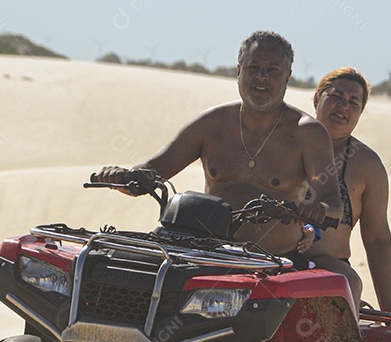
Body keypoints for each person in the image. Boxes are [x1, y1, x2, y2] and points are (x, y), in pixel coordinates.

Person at [98, 31, 341, 259]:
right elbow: (154, 170)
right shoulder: (211, 124)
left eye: (272, 70)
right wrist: (123, 177)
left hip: (275, 264)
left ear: (287, 77)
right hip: (205, 256)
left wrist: (319, 208)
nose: (261, 77)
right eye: (253, 67)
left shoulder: (307, 133)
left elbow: (333, 203)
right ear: (239, 71)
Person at [298, 67, 391, 315]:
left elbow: (377, 238)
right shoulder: (284, 141)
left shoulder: (368, 165)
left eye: (353, 102)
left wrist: (387, 302)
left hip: (328, 269)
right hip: (270, 259)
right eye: (336, 97)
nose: (343, 106)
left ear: (360, 112)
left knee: (349, 282)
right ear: (317, 98)